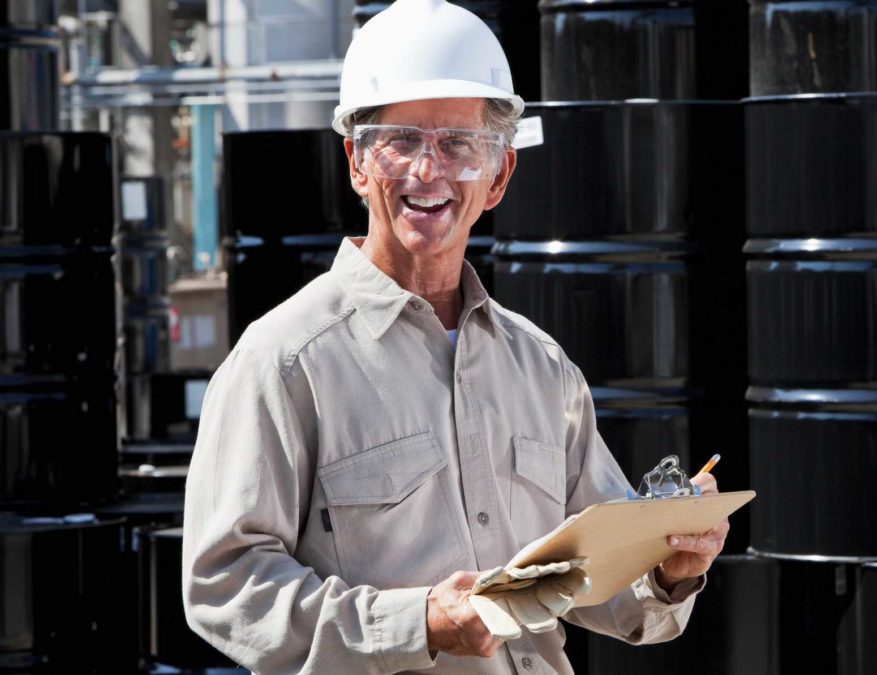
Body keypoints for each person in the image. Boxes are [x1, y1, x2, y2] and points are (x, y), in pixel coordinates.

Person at [181, 1, 729, 672]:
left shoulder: (541, 368)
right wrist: (417, 625)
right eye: (400, 140)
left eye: (458, 145)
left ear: (497, 175)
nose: (426, 170)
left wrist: (669, 568)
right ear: (357, 162)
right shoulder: (285, 362)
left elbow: (599, 581)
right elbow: (225, 586)